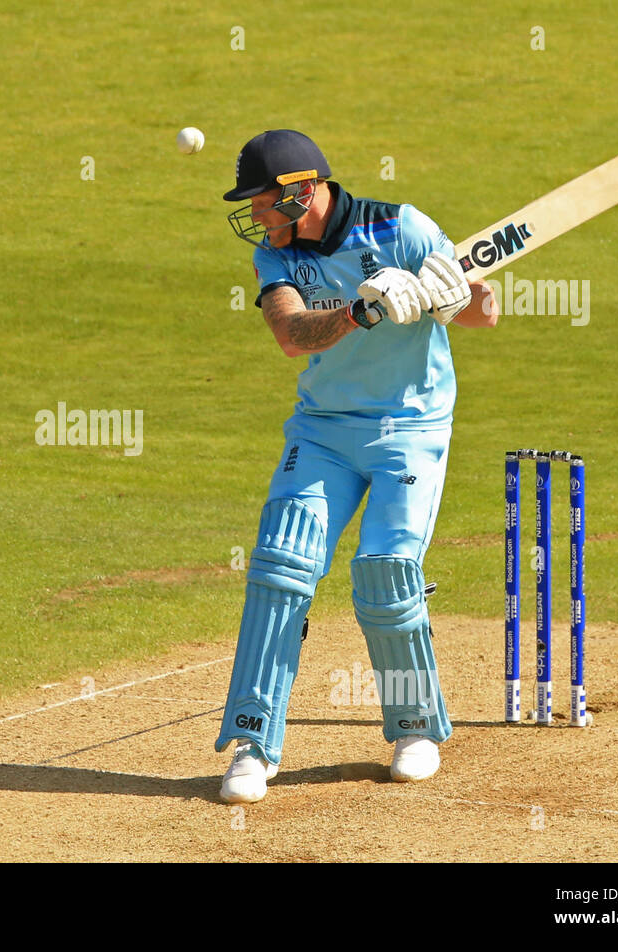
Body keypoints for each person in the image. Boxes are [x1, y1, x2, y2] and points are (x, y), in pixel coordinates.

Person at [215, 130, 498, 803]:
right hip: (323, 432)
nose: (255, 218)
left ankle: (415, 728)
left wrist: (455, 300)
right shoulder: (273, 255)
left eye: (261, 202)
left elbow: (485, 312)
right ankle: (254, 743)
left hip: (410, 426)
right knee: (280, 564)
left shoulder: (402, 226)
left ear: (302, 191)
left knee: (385, 573)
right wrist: (360, 310)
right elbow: (291, 334)